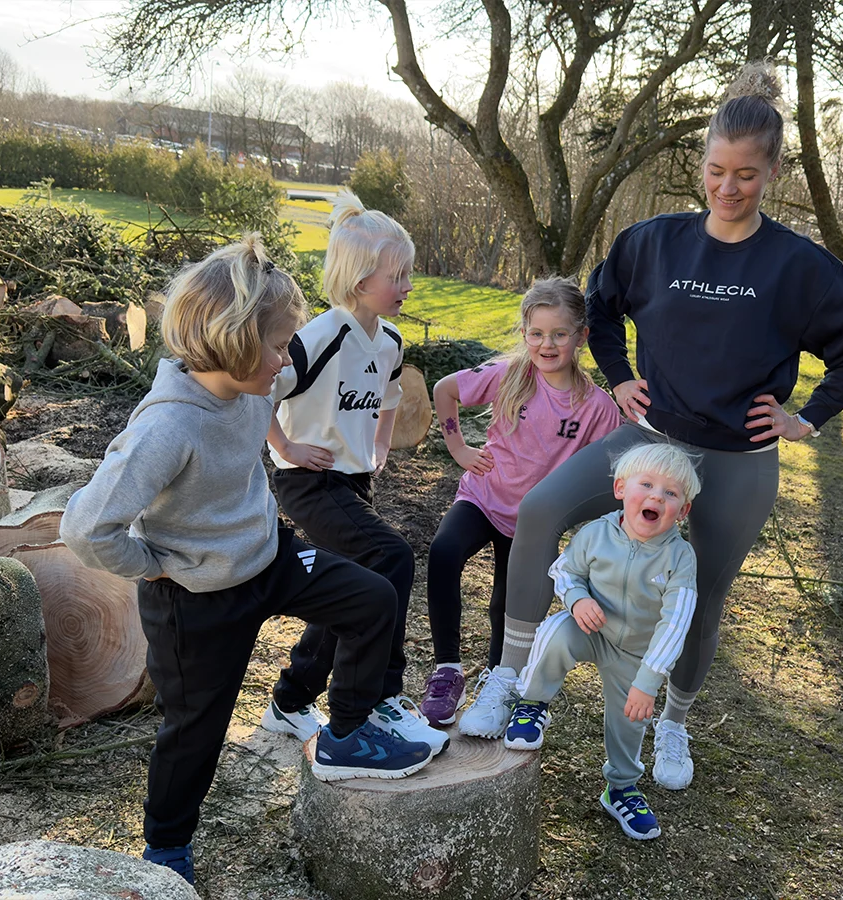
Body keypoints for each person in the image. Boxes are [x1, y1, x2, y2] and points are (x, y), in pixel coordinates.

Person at [457, 63, 843, 792]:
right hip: (647, 443)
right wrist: (619, 373)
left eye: (747, 174)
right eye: (717, 170)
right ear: (702, 166)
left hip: (736, 461)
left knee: (704, 595)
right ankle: (508, 678)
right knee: (538, 513)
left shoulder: (799, 268)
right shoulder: (654, 242)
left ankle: (675, 723)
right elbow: (602, 304)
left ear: (773, 172)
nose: (728, 187)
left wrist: (805, 417)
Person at [57, 234, 432, 886]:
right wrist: (156, 564)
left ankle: (344, 733)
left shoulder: (254, 377)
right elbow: (87, 528)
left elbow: (299, 370)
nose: (285, 358)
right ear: (229, 342)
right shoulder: (167, 427)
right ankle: (167, 848)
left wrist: (354, 327)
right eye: (277, 342)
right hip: (197, 600)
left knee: (373, 595)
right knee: (196, 733)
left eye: (288, 342)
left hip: (273, 559)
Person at [259, 192, 447, 756]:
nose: (409, 285)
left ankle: (289, 702)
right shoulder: (318, 336)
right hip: (309, 482)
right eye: (400, 275)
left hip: (354, 481)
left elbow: (390, 394)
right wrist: (287, 445)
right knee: (390, 558)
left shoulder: (390, 339)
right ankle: (376, 700)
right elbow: (261, 391)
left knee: (351, 590)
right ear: (361, 279)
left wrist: (382, 442)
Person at [421, 277, 624, 724]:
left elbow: (617, 465)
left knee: (507, 602)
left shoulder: (596, 407)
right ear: (523, 333)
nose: (546, 344)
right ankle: (446, 670)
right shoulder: (510, 374)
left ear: (581, 336)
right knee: (443, 552)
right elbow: (445, 390)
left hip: (534, 523)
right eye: (536, 333)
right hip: (484, 496)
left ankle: (499, 680)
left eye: (559, 334)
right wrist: (458, 448)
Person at [501, 443, 699, 840]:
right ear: (621, 489)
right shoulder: (595, 534)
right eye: (647, 484)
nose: (657, 496)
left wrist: (648, 680)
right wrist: (577, 599)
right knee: (555, 633)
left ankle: (621, 788)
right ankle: (531, 704)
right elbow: (564, 570)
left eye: (671, 493)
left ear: (683, 510)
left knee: (631, 721)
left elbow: (676, 623)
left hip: (635, 654)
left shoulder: (680, 558)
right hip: (591, 629)